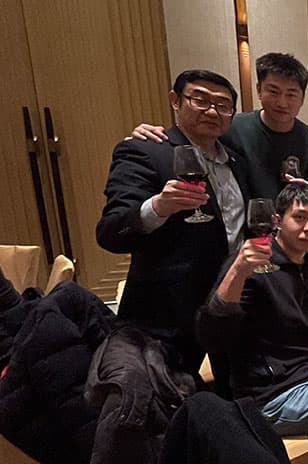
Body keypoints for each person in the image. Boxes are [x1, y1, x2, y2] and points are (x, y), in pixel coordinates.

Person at [97, 69, 249, 372]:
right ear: (175, 101)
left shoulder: (237, 162)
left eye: (222, 105)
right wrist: (159, 206)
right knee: (166, 402)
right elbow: (111, 232)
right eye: (200, 100)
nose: (211, 111)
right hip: (167, 313)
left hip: (225, 304)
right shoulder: (144, 151)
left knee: (227, 395)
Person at [195, 183, 308, 439]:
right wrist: (238, 271)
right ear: (277, 220)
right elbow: (211, 337)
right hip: (274, 395)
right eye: (300, 217)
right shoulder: (252, 268)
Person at [131, 52, 308, 208]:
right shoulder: (231, 127)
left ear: (302, 98)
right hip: (236, 238)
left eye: (291, 94)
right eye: (273, 91)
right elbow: (190, 142)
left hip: (291, 243)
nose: (281, 102)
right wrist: (153, 136)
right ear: (259, 90)